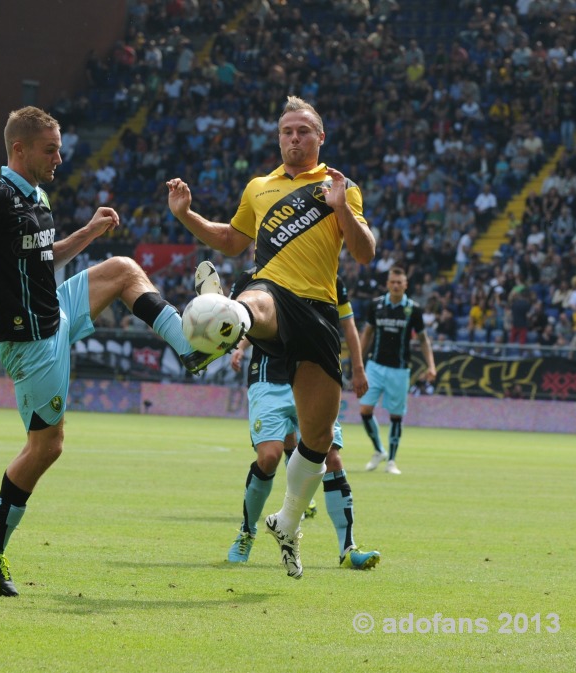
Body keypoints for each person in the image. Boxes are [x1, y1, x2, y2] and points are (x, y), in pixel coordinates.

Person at [0, 106, 214, 597]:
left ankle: (190, 349)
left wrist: (86, 235)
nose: (59, 157)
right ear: (19, 149)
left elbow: (44, 259)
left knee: (124, 269)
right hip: (30, 340)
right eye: (51, 149)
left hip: (54, 310)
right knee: (47, 446)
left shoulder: (37, 196)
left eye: (60, 148)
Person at [167, 96, 376, 579]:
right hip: (273, 294)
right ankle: (225, 318)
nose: (294, 138)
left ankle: (285, 520)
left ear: (320, 137)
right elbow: (230, 241)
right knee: (259, 297)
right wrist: (186, 216)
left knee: (319, 440)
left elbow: (364, 252)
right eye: (287, 132)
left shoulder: (340, 186)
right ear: (279, 137)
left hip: (319, 314)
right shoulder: (259, 188)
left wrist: (341, 208)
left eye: (304, 131)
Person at [226, 269, 380, 570]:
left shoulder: (330, 278)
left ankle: (347, 548)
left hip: (315, 372)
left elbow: (348, 325)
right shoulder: (250, 279)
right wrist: (238, 347)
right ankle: (247, 532)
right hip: (269, 378)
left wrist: (358, 368)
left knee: (331, 457)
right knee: (268, 457)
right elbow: (237, 322)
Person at [360, 266, 437, 475]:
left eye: (399, 282)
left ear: (405, 285)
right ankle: (379, 450)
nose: (395, 285)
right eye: (392, 282)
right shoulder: (376, 306)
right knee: (365, 409)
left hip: (400, 369)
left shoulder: (413, 309)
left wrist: (431, 365)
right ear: (387, 284)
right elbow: (367, 333)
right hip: (374, 366)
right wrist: (358, 360)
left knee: (395, 416)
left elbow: (423, 340)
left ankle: (391, 461)